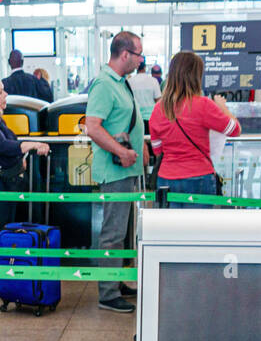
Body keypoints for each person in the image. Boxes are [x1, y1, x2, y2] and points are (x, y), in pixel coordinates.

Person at [0, 74, 50, 295]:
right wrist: (31, 144)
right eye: (1, 91)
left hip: (1, 182)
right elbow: (2, 145)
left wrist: (21, 153)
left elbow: (9, 144)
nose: (5, 95)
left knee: (0, 231)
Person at [85, 31, 146, 313]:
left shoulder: (122, 83)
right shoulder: (104, 84)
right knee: (112, 232)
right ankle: (107, 293)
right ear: (125, 54)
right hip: (115, 170)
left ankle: (116, 279)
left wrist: (139, 145)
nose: (141, 60)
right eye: (138, 54)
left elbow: (123, 121)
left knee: (122, 231)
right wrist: (122, 151)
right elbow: (93, 127)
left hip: (128, 168)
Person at [149, 51, 239, 208]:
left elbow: (157, 150)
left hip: (166, 178)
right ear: (196, 76)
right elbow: (235, 129)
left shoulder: (158, 109)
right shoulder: (204, 105)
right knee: (198, 230)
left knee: (170, 230)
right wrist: (222, 107)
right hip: (199, 177)